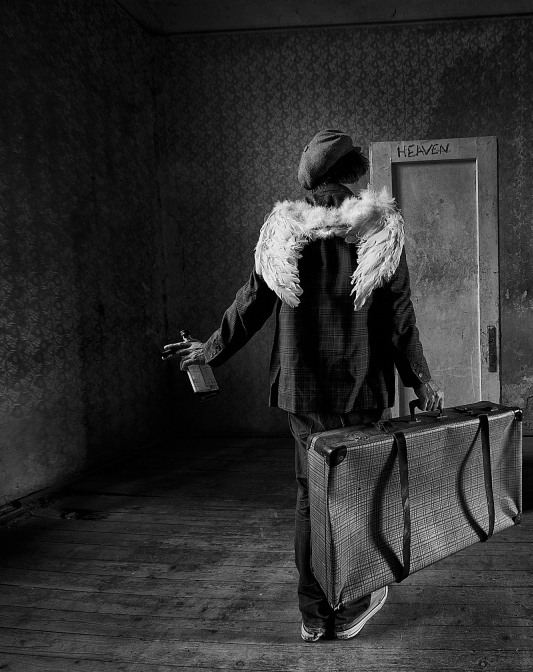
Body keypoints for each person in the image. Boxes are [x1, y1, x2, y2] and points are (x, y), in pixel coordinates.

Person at [162, 129, 442, 642]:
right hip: (362, 389)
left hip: (303, 390)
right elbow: (399, 316)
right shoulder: (381, 225)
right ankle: (351, 606)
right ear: (351, 171)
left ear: (310, 178)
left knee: (311, 498)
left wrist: (210, 350)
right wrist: (421, 380)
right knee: (356, 494)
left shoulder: (283, 227)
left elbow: (253, 301)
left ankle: (314, 616)